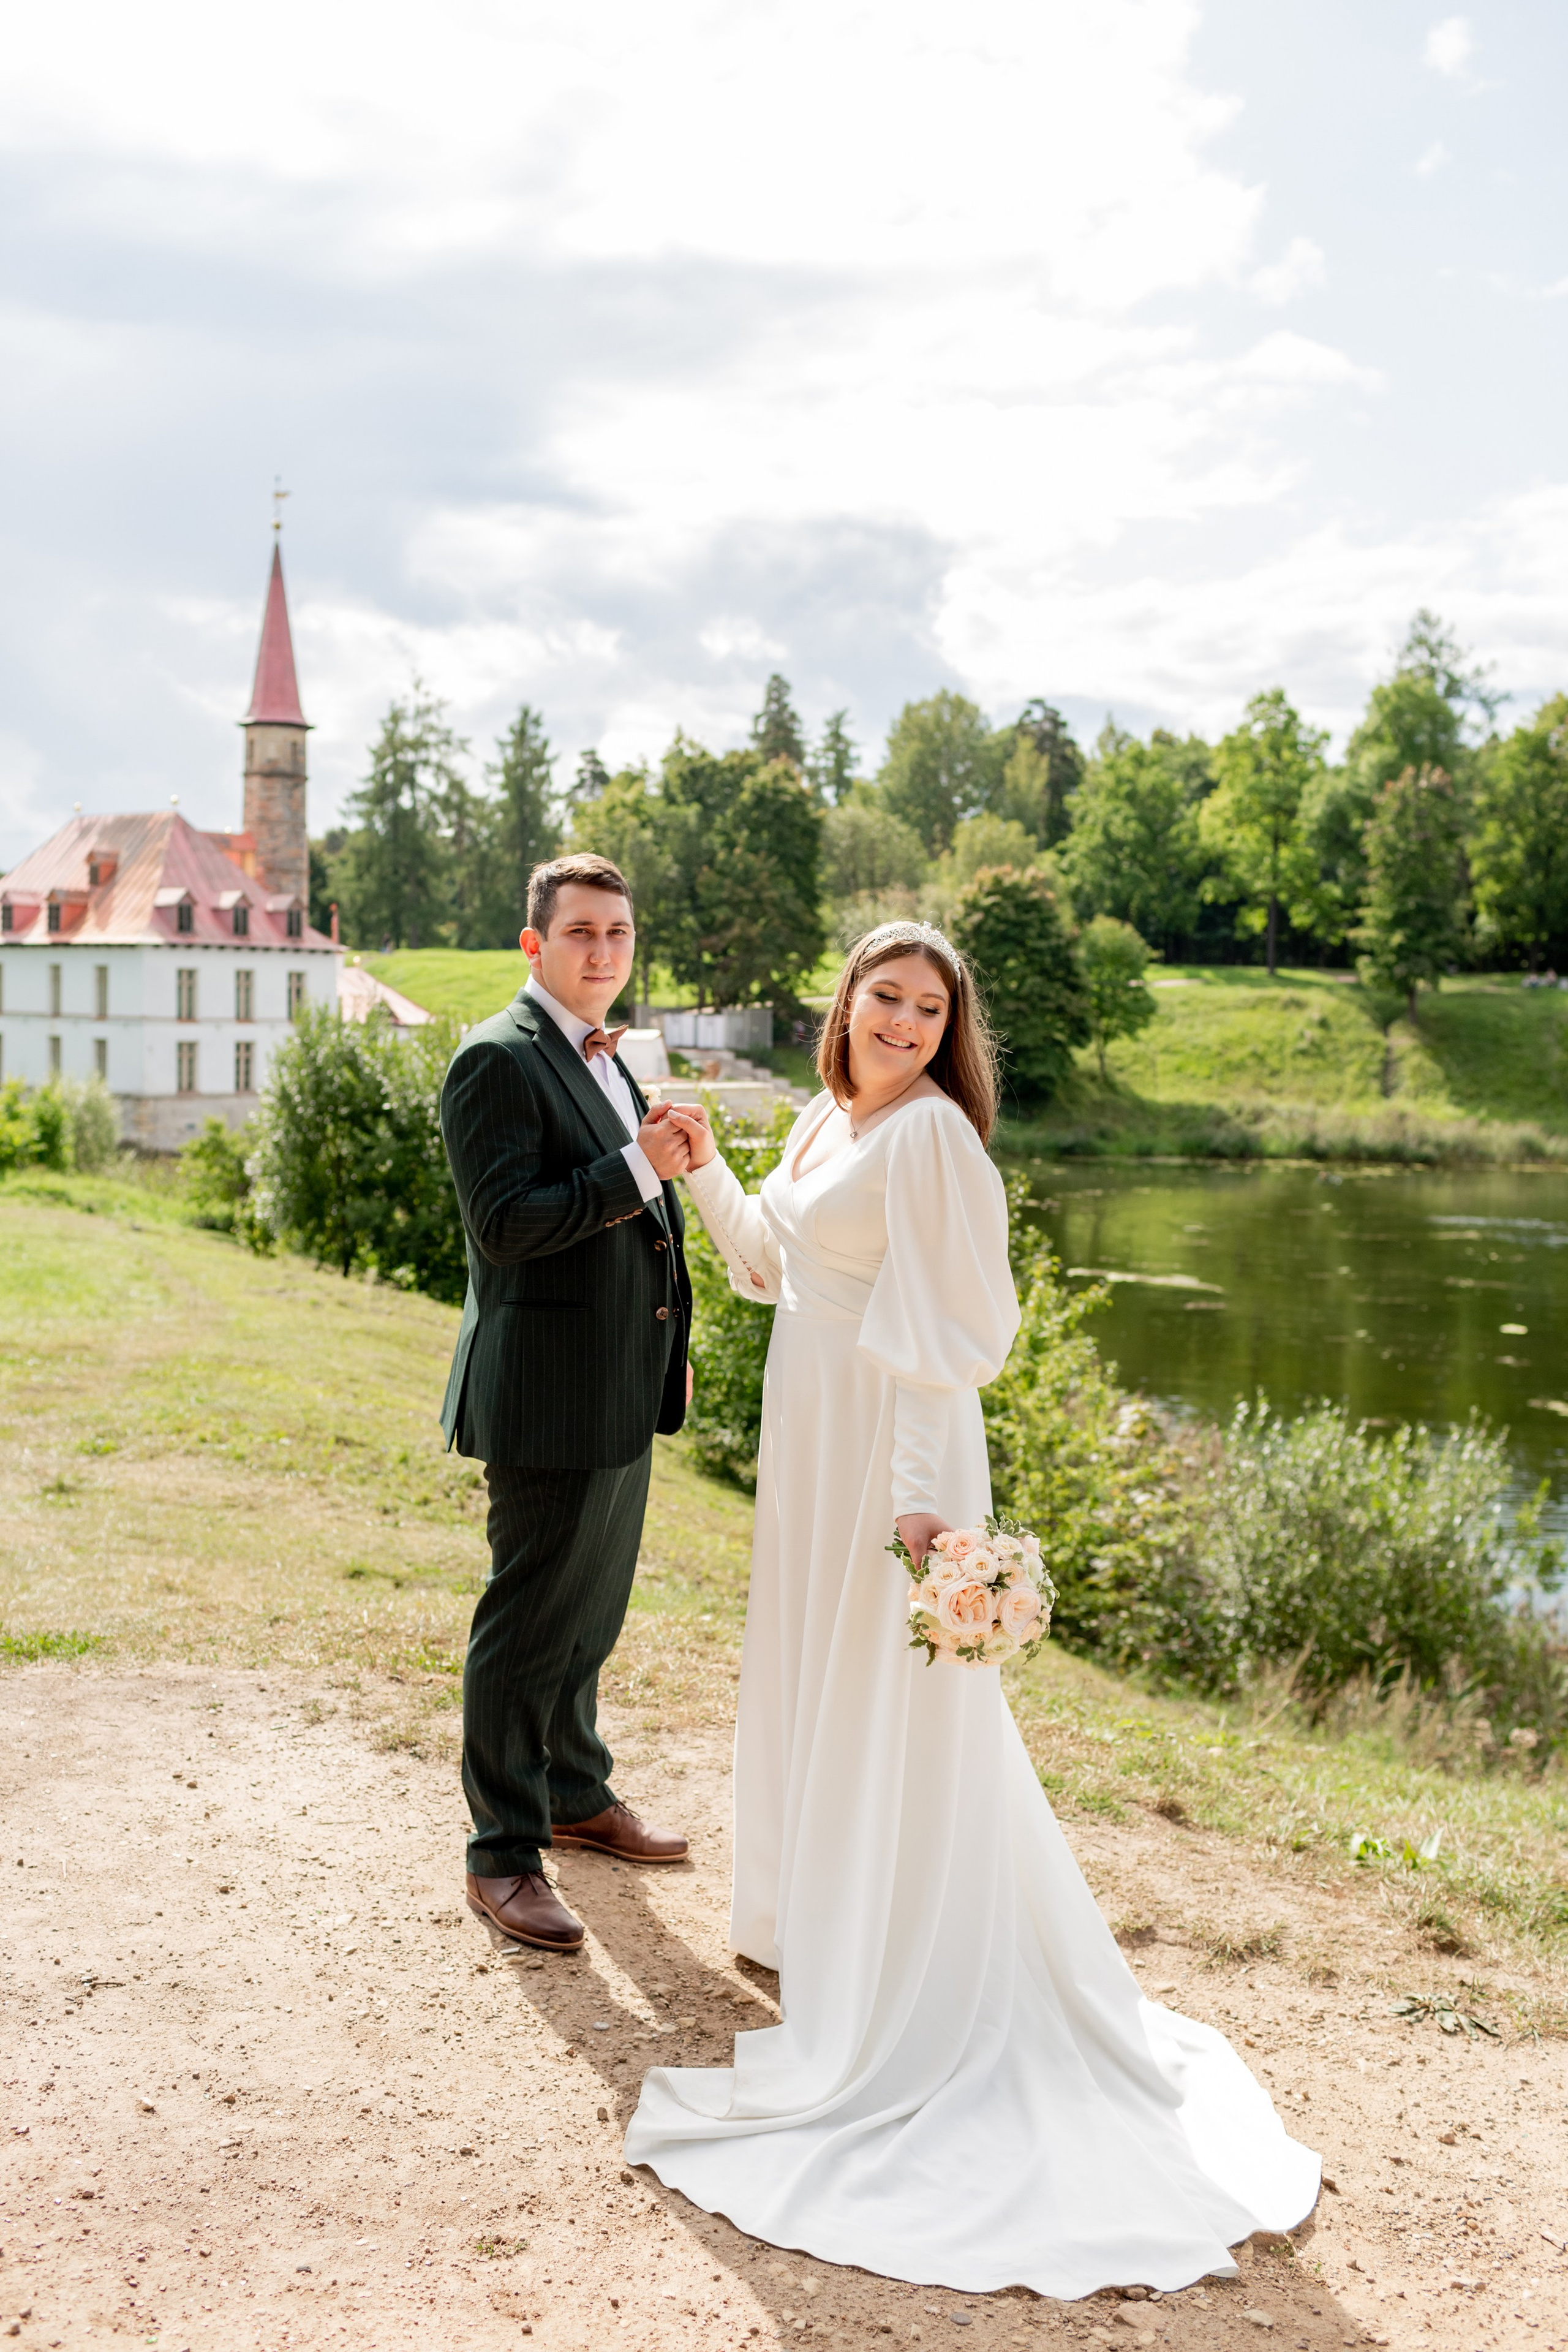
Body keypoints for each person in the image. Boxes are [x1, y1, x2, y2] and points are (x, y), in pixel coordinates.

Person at [624, 920, 1319, 2297]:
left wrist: (925, 1513)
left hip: (883, 1451)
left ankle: (906, 1962)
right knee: (808, 1677)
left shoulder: (934, 1139)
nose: (902, 1025)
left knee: (889, 1700)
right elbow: (773, 1266)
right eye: (884, 999)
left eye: (928, 1011)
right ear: (846, 1003)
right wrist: (701, 1174)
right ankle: (824, 1924)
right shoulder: (834, 1117)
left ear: (950, 1031)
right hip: (809, 1429)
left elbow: (946, 1340)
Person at [439, 853, 696, 1954]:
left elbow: (641, 1223)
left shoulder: (610, 1057)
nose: (604, 952)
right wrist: (638, 1166)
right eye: (583, 933)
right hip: (546, 1393)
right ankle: (501, 1851)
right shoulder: (495, 1060)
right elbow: (504, 1224)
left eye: (620, 935)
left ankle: (578, 1793)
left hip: (622, 1384)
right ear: (536, 945)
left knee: (591, 1612)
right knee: (527, 1618)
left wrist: (670, 1343)